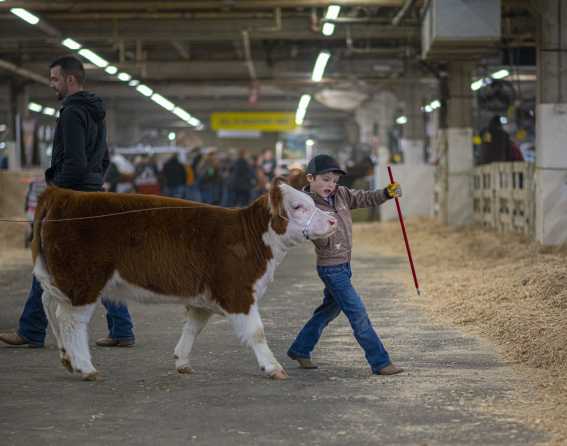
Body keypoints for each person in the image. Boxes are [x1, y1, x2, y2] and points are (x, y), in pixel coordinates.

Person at [0, 56, 135, 348]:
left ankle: (31, 331)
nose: (52, 85)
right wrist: (94, 184)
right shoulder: (96, 112)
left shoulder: (72, 113)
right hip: (92, 195)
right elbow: (104, 160)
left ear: (70, 80)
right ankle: (122, 329)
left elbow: (74, 162)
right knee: (97, 262)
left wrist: (57, 192)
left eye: (54, 79)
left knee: (47, 261)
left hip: (72, 200)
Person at [287, 154, 404, 376]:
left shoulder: (342, 194)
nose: (331, 185)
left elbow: (366, 198)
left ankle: (300, 349)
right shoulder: (305, 204)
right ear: (310, 178)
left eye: (334, 180)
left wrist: (386, 193)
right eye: (325, 179)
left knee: (327, 311)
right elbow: (295, 229)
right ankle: (380, 362)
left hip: (344, 265)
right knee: (357, 312)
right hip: (331, 269)